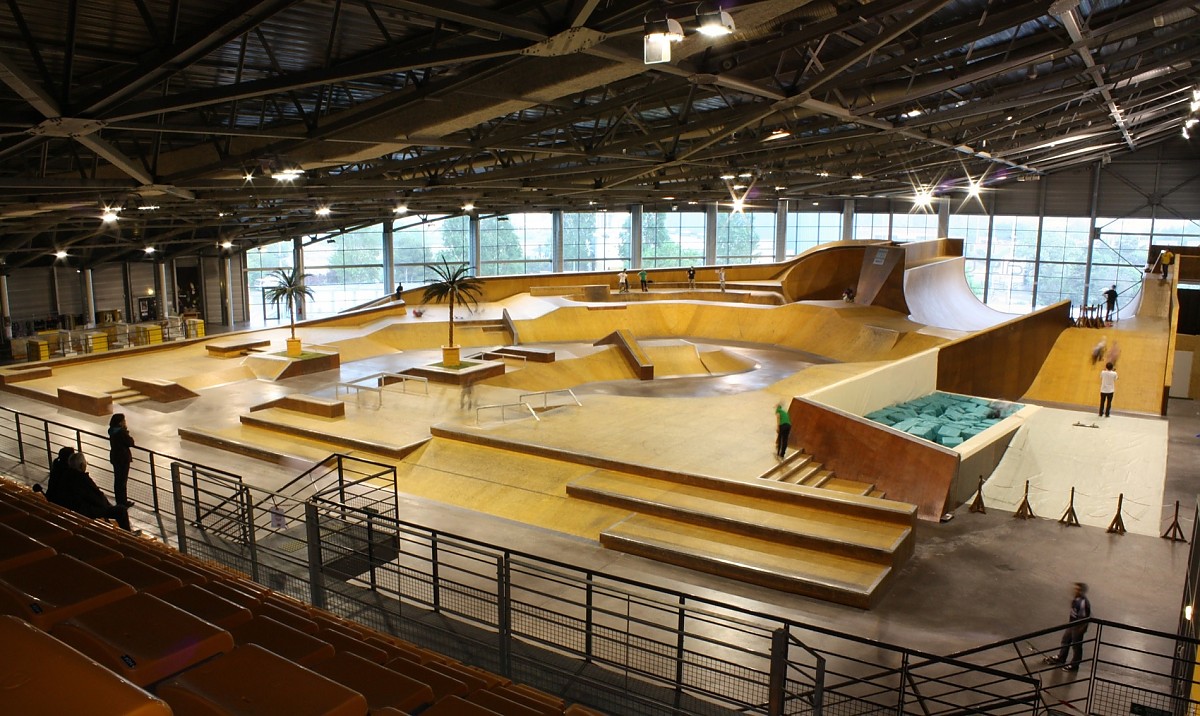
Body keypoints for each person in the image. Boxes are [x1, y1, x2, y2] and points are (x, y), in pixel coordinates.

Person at [57, 453, 133, 532]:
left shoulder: (66, 476)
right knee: (121, 510)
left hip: (76, 509)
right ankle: (128, 534)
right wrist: (109, 507)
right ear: (82, 465)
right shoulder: (83, 479)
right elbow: (98, 499)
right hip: (86, 511)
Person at [1044, 582, 1092, 672]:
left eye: (1077, 589)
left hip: (1077, 627)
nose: (1075, 590)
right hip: (1072, 624)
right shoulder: (1076, 599)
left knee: (1076, 646)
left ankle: (1075, 665)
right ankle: (1061, 658)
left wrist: (1080, 629)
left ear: (1082, 591)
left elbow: (1085, 617)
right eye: (1075, 588)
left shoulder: (1083, 602)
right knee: (1065, 640)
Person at [108, 413, 135, 507]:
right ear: (120, 422)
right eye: (124, 420)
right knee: (122, 481)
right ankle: (122, 502)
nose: (125, 422)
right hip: (122, 458)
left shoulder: (112, 431)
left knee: (118, 480)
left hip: (115, 457)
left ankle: (120, 501)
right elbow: (131, 442)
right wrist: (125, 430)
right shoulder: (121, 432)